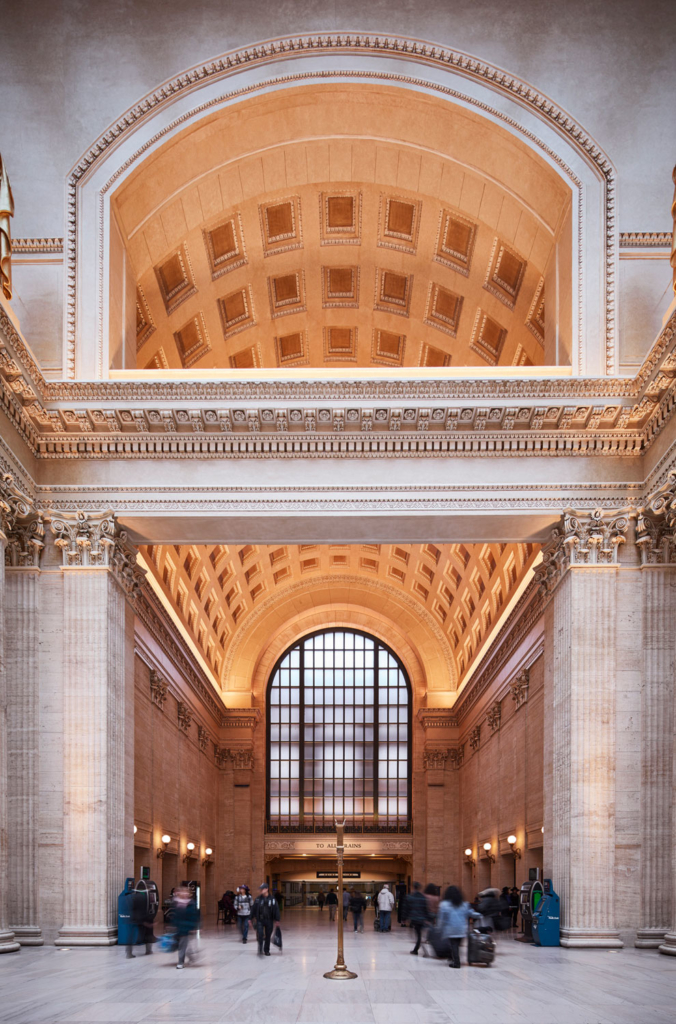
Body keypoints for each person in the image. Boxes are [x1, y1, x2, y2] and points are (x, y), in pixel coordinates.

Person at [437, 885, 480, 968]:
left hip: (451, 928)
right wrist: (479, 915)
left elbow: (441, 918)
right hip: (461, 929)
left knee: (453, 945)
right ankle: (453, 958)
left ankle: (456, 962)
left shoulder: (444, 904)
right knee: (456, 945)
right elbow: (470, 913)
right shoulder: (464, 904)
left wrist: (439, 928)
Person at [173, 886, 200, 969]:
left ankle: (180, 962)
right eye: (183, 892)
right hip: (179, 927)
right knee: (184, 945)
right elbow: (174, 916)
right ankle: (191, 957)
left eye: (186, 892)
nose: (185, 894)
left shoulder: (191, 903)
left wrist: (195, 926)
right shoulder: (176, 902)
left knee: (182, 945)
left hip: (186, 927)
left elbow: (195, 915)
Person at [251, 883, 280, 956]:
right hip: (260, 920)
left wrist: (277, 920)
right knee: (260, 935)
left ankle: (266, 950)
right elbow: (253, 908)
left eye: (262, 889)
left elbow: (276, 909)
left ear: (266, 889)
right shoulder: (258, 899)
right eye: (260, 889)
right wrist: (250, 918)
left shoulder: (272, 899)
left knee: (268, 936)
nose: (261, 890)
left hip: (269, 920)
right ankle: (260, 949)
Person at [126, 885, 155, 958]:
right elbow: (145, 909)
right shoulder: (145, 897)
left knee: (131, 935)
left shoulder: (133, 896)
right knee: (148, 933)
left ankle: (129, 952)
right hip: (142, 918)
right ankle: (148, 950)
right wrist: (147, 919)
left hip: (133, 917)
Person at [404, 881, 432, 955]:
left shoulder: (410, 897)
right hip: (422, 919)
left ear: (413, 887)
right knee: (419, 935)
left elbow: (406, 908)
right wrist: (428, 918)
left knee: (418, 935)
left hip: (415, 919)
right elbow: (426, 909)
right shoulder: (423, 897)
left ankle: (419, 950)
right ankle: (417, 949)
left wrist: (404, 918)